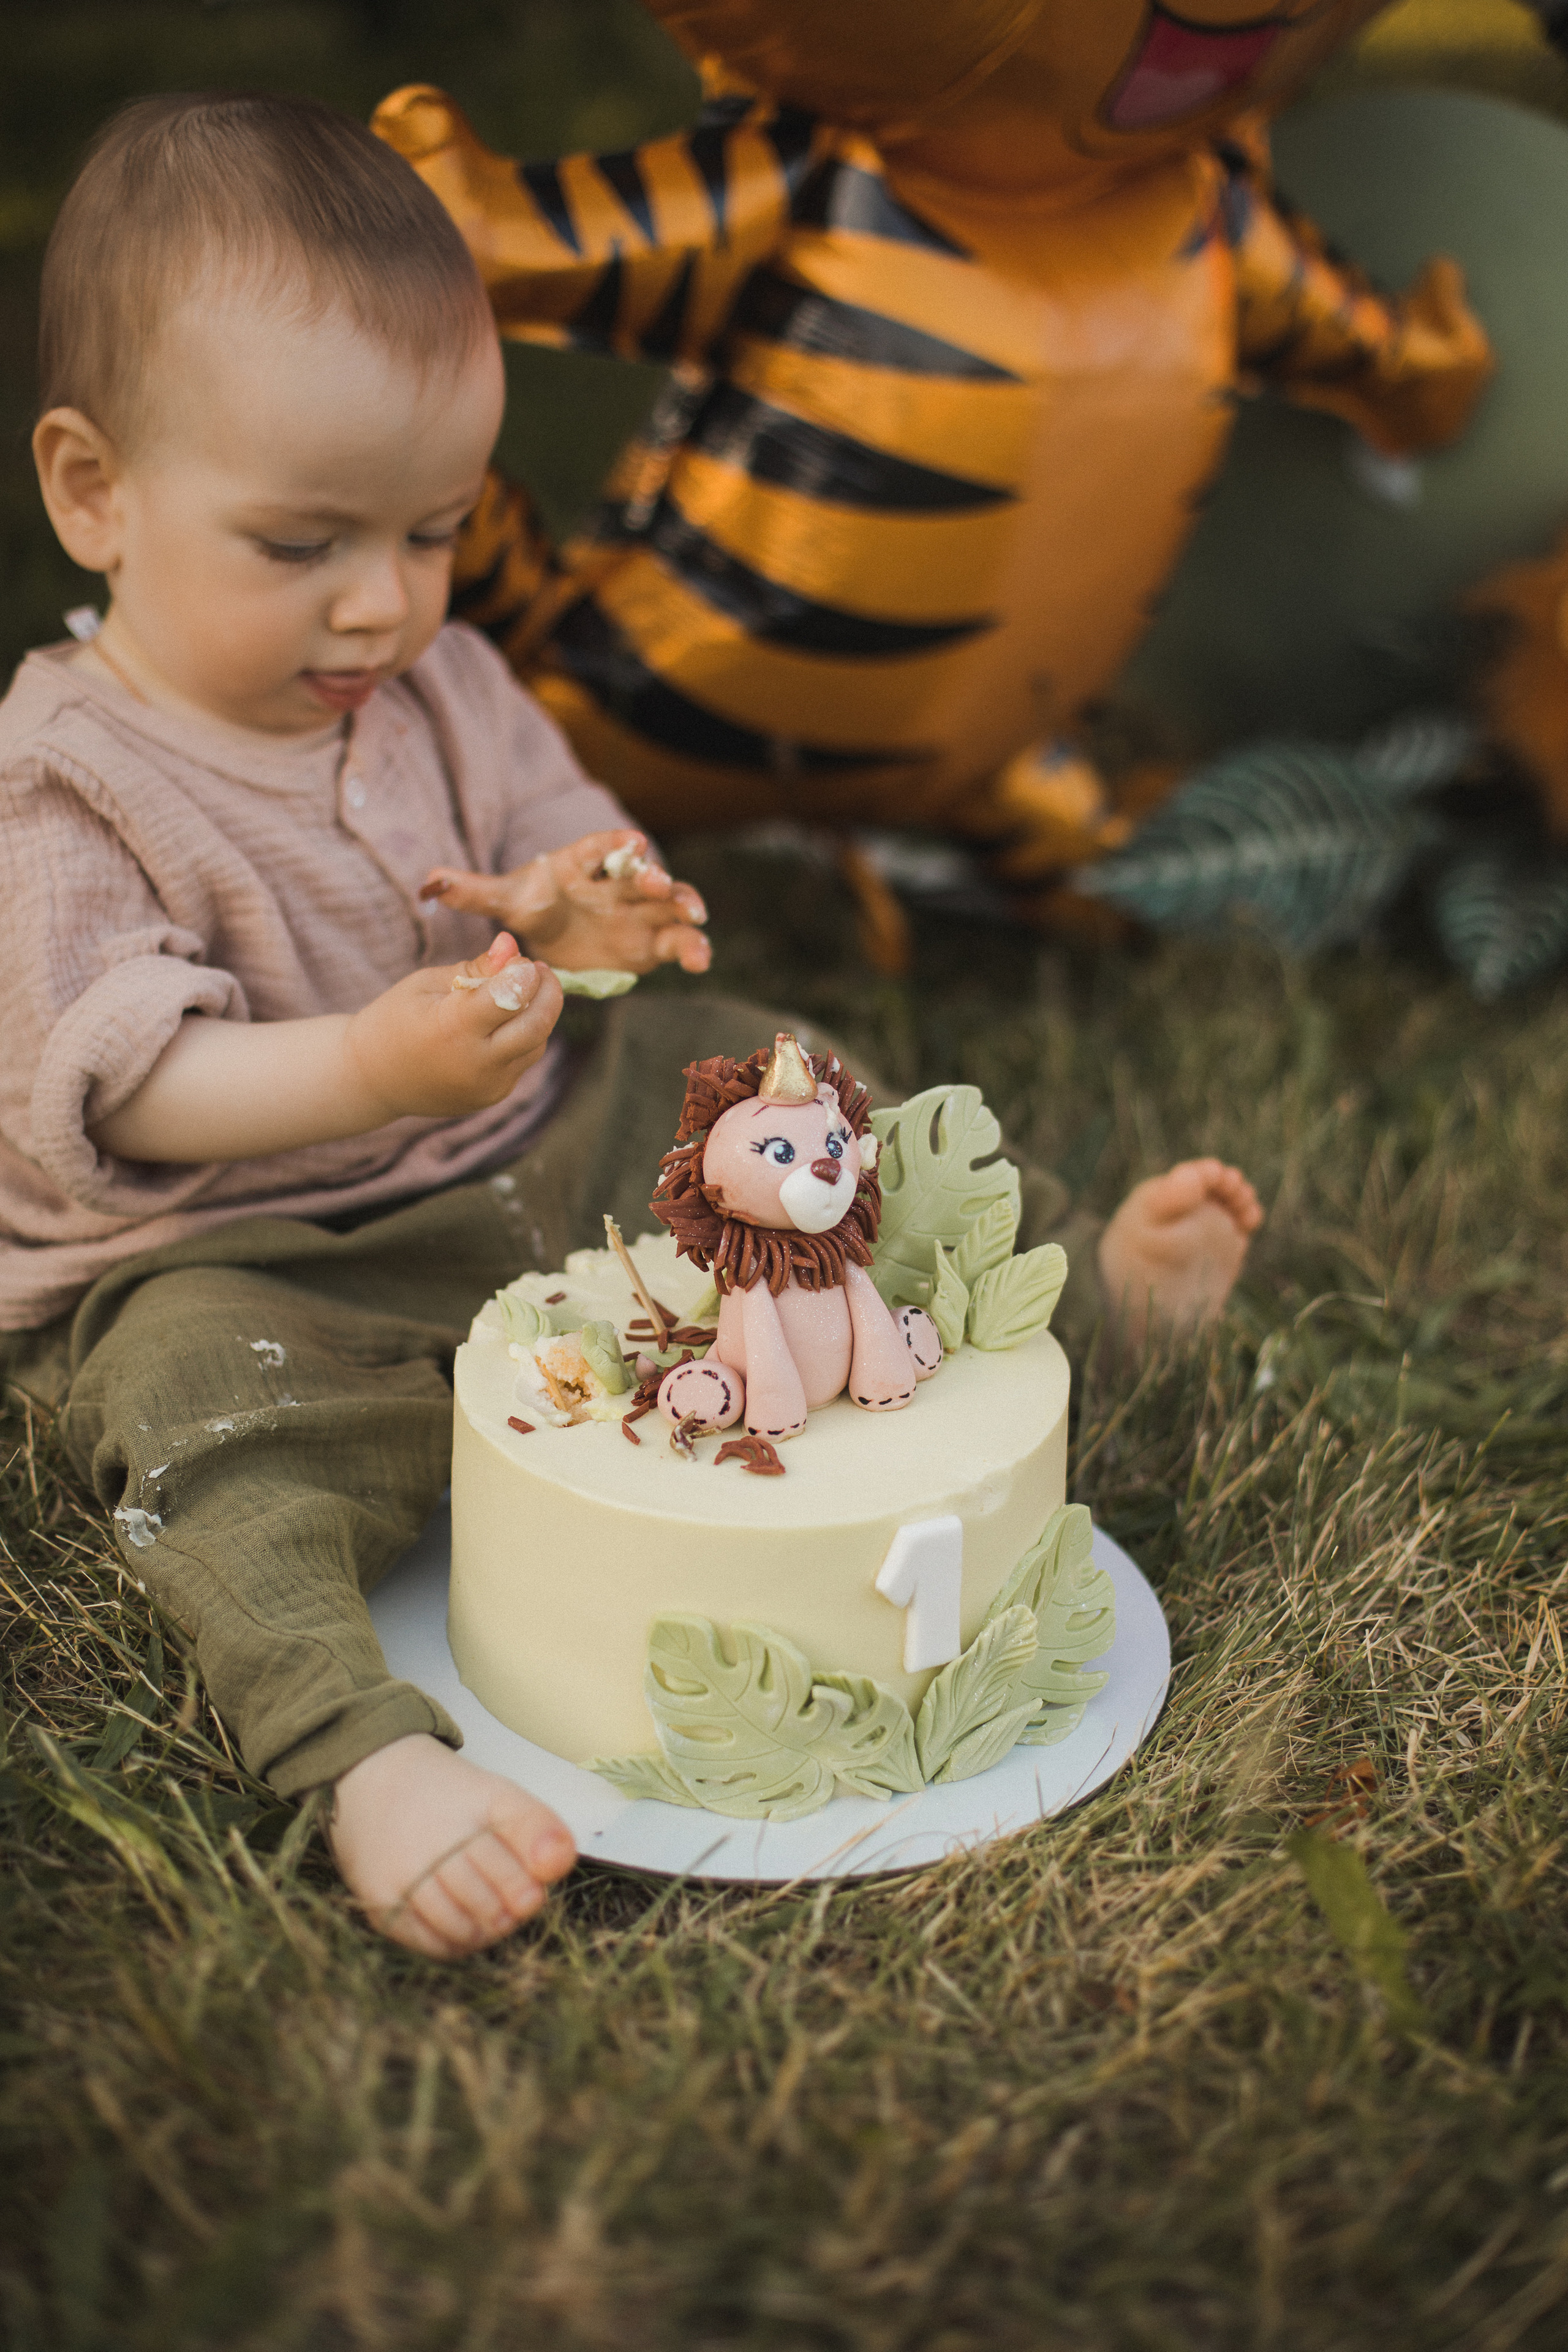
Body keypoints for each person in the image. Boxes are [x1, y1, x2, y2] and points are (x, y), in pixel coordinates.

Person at [0, 92, 1260, 1962]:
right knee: (200, 1432)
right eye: (301, 544)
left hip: (530, 1139)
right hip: (245, 1244)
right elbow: (126, 1087)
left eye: (433, 531)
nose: (380, 603)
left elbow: (559, 843)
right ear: (93, 490)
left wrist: (589, 912)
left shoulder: (439, 673)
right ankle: (362, 1755)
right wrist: (366, 1068)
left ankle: (1077, 1280)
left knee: (780, 1077)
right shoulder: (68, 781)